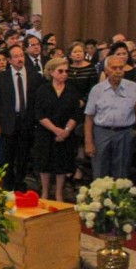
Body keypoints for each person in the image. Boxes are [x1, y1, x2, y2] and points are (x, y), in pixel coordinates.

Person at [0, 44, 44, 191]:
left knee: (24, 154)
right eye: (16, 57)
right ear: (9, 59)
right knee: (8, 155)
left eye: (21, 56)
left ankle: (20, 181)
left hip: (27, 121)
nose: (20, 59)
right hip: (8, 121)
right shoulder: (2, 77)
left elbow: (37, 100)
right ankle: (7, 184)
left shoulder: (34, 75)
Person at [84, 55, 136, 179]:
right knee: (100, 172)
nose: (118, 71)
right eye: (114, 68)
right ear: (106, 70)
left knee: (121, 173)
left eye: (121, 68)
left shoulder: (133, 87)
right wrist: (88, 142)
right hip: (102, 133)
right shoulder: (97, 90)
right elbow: (89, 117)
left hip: (125, 133)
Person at [33, 58, 80, 201]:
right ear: (51, 72)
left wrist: (65, 131)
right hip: (46, 132)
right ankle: (45, 192)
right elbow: (40, 114)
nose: (64, 74)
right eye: (61, 71)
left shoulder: (72, 90)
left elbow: (75, 113)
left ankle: (59, 192)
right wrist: (55, 130)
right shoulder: (43, 90)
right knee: (45, 163)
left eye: (67, 71)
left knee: (62, 163)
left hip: (66, 133)